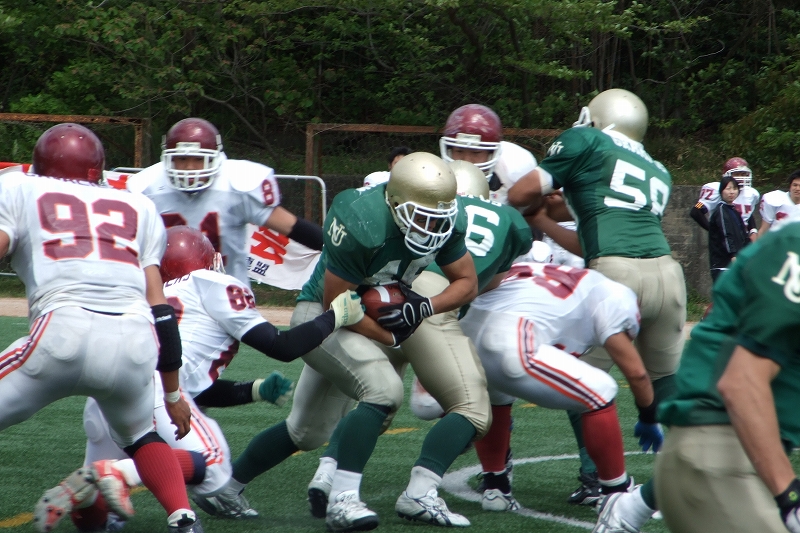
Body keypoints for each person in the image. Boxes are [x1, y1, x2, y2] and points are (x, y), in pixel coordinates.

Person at [195, 152, 480, 532]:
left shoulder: (448, 221)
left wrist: (423, 307)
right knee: (384, 391)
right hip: (323, 316)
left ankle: (225, 490)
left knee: (306, 432)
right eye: (422, 216)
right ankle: (344, 500)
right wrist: (390, 335)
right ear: (394, 202)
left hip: (360, 312)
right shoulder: (363, 221)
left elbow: (467, 282)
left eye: (439, 218)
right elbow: (337, 304)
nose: (431, 227)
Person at [44, 225, 364, 529]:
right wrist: (334, 316)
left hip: (104, 395)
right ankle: (119, 472)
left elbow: (187, 384)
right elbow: (282, 346)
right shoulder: (211, 284)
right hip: (153, 389)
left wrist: (253, 390)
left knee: (96, 506)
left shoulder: (148, 296)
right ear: (206, 260)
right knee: (215, 466)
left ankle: (89, 496)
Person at [305, 159, 533, 525]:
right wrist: (427, 307)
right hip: (431, 296)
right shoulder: (504, 221)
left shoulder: (409, 212)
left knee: (378, 399)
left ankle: (329, 473)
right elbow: (485, 283)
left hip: (388, 293)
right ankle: (420, 492)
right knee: (472, 407)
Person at [0, 123, 200, 533]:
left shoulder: (18, 187)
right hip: (135, 342)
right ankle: (184, 519)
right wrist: (173, 393)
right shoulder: (138, 205)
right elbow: (161, 310)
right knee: (141, 436)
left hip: (62, 333)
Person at [507, 88, 686, 504]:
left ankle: (599, 479)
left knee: (578, 384)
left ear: (599, 117)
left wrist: (533, 204)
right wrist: (545, 217)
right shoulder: (657, 169)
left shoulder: (585, 140)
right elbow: (595, 232)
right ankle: (685, 483)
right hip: (668, 275)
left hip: (617, 276)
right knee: (667, 383)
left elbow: (519, 195)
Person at [593, 213, 800, 533]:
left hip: (753, 451)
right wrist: (790, 497)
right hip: (717, 445)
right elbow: (741, 383)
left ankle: (632, 506)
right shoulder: (792, 250)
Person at [126, 117, 323, 289]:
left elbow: (291, 226)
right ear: (168, 159)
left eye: (198, 159)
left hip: (228, 295)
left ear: (215, 159)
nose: (189, 167)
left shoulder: (236, 184)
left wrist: (334, 248)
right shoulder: (147, 188)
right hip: (167, 294)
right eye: (182, 158)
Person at [439, 103, 538, 205]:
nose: (467, 161)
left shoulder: (514, 168)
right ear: (449, 151)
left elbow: (535, 211)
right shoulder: (437, 178)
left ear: (492, 153)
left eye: (476, 152)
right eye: (459, 151)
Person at [689, 157, 760, 238]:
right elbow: (696, 210)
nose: (741, 178)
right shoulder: (717, 190)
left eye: (743, 174)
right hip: (724, 240)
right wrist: (712, 231)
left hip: (742, 238)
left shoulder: (751, 193)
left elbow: (747, 213)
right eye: (736, 174)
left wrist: (753, 231)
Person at [708, 175, 751, 281]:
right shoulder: (721, 210)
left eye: (734, 189)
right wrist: (733, 255)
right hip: (723, 264)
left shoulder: (733, 211)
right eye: (728, 188)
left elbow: (743, 235)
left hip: (734, 263)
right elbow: (726, 234)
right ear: (721, 191)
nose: (732, 192)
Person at [758, 169, 800, 237]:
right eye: (795, 185)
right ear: (790, 186)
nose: (797, 188)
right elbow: (764, 230)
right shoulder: (775, 199)